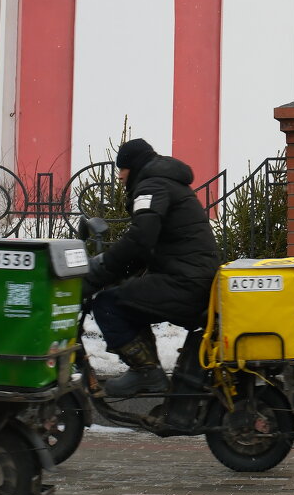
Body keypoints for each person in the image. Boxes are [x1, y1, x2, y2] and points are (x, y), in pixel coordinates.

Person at [82, 138, 219, 396]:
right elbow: (146, 249)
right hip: (192, 278)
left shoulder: (152, 185)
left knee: (108, 305)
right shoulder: (164, 182)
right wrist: (112, 275)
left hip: (186, 282)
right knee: (127, 299)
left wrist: (98, 271)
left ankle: (146, 373)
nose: (120, 177)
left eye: (121, 169)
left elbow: (140, 239)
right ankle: (148, 371)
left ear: (132, 167)